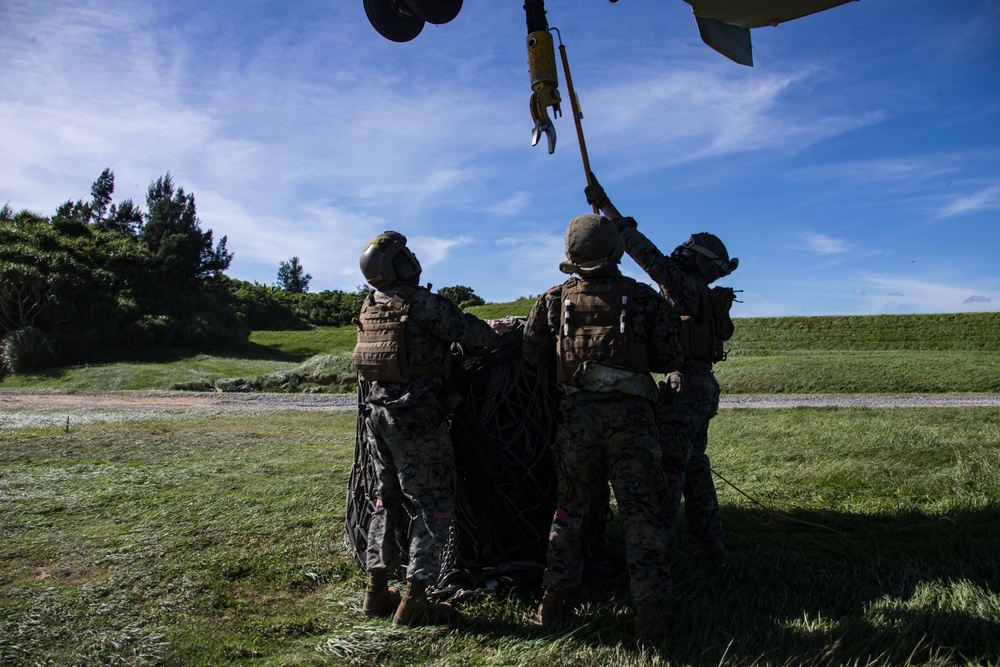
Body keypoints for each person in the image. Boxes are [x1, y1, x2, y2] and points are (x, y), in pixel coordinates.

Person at [523, 213, 683, 642]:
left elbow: (534, 354)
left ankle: (553, 605)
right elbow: (670, 357)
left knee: (568, 513)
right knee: (641, 517)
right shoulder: (643, 298)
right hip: (632, 423)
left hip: (576, 421)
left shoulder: (553, 299)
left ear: (570, 253)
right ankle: (650, 618)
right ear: (615, 250)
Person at [585, 174, 739, 567]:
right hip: (702, 385)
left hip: (682, 387)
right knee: (696, 467)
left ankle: (654, 551)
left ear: (696, 258)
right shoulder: (705, 293)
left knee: (669, 471)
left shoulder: (683, 285)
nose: (681, 251)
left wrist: (606, 207)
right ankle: (713, 547)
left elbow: (642, 251)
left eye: (689, 248)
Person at [352, 230, 500, 626]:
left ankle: (377, 591)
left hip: (377, 418)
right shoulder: (422, 304)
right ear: (399, 266)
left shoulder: (370, 307)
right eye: (407, 255)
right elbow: (476, 335)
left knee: (385, 500)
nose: (414, 259)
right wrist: (497, 331)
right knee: (432, 507)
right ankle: (417, 601)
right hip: (416, 419)